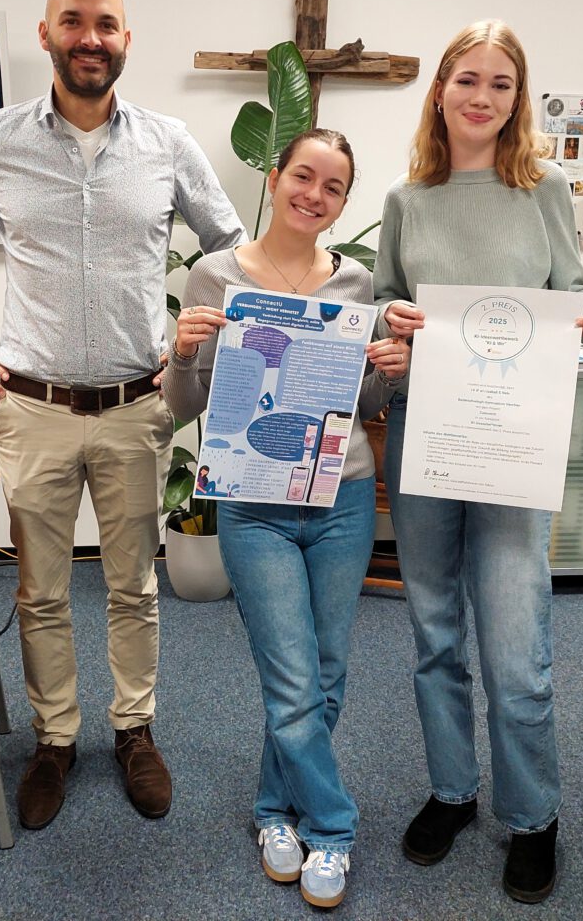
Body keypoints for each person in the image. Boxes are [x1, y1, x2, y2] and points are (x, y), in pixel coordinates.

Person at [0, 0, 245, 831]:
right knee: (42, 591)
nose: (90, 37)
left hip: (140, 408)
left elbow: (231, 245)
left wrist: (207, 330)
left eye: (106, 24)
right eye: (74, 22)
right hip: (33, 410)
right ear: (47, 35)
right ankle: (54, 740)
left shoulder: (169, 143)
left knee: (135, 585)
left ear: (126, 40)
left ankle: (134, 729)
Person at [372, 20, 583, 904]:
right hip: (426, 437)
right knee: (434, 632)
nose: (482, 98)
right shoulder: (409, 198)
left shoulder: (543, 189)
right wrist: (391, 337)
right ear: (440, 89)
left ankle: (534, 814)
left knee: (519, 648)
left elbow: (576, 292)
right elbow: (383, 309)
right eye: (467, 80)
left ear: (518, 100)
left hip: (514, 443)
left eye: (501, 85)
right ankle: (453, 790)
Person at [162, 128, 409, 909]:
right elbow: (184, 407)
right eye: (304, 176)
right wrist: (181, 352)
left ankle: (274, 812)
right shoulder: (215, 275)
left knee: (326, 675)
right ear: (275, 178)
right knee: (295, 679)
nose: (315, 194)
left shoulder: (357, 283)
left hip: (340, 499)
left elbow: (363, 407)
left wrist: (386, 374)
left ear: (341, 203)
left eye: (333, 187)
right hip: (254, 503)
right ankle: (333, 826)